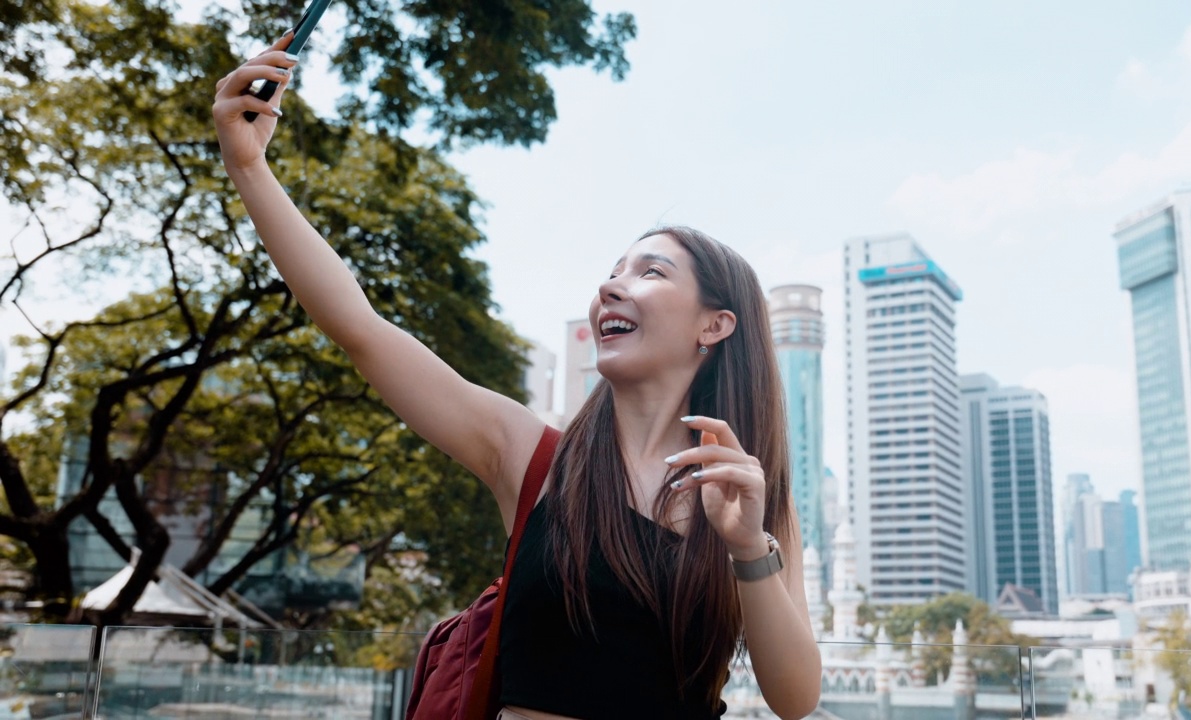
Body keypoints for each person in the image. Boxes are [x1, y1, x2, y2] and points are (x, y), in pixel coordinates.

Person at [212, 34, 822, 720]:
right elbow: (362, 328)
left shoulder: (750, 501)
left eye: (650, 271)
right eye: (614, 271)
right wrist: (249, 166)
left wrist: (746, 547)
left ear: (715, 326)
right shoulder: (532, 457)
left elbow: (794, 698)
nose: (612, 286)